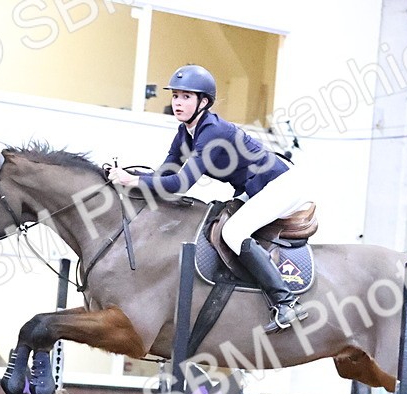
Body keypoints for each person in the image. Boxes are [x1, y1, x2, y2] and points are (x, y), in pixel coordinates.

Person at [107, 64, 310, 334]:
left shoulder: (212, 131)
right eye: (175, 96)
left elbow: (180, 184)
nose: (177, 103)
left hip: (280, 185)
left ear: (204, 101)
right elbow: (164, 175)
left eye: (186, 97)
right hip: (254, 188)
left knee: (233, 232)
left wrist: (132, 180)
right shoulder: (185, 133)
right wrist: (128, 181)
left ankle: (286, 302)